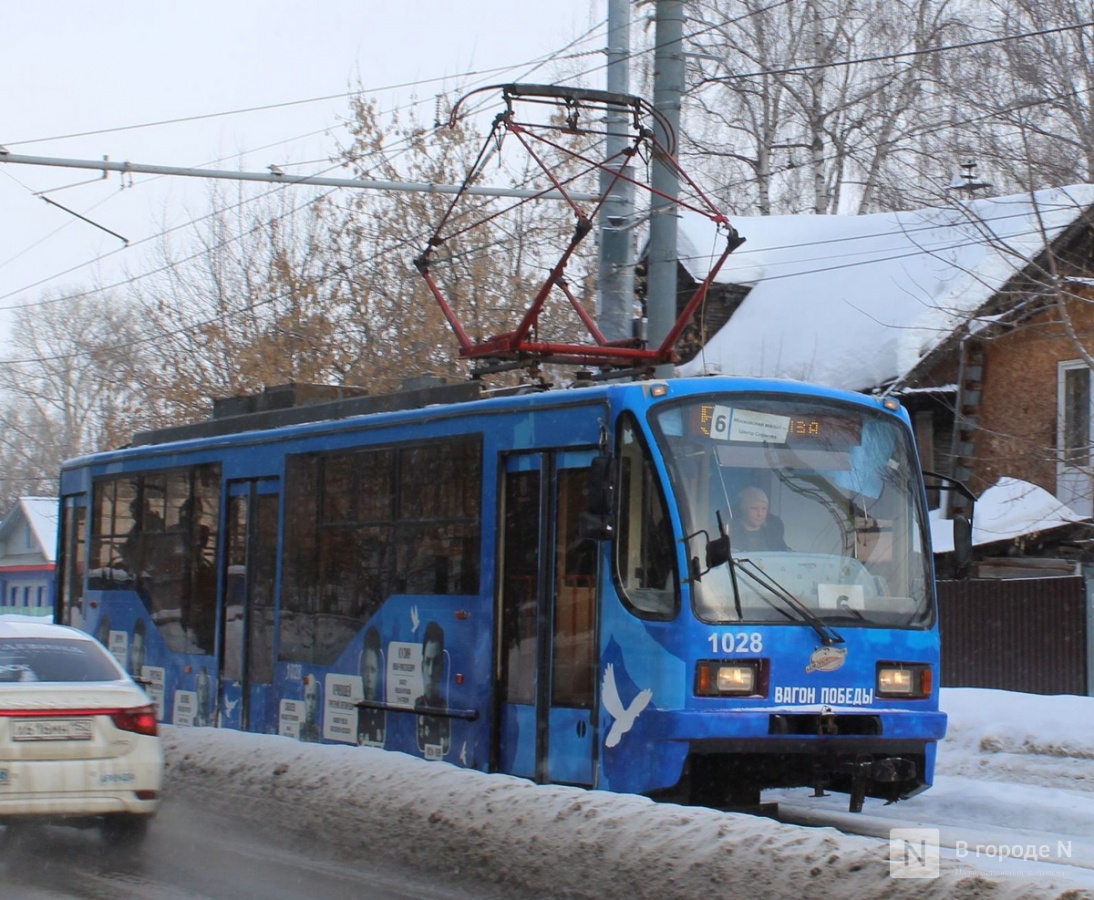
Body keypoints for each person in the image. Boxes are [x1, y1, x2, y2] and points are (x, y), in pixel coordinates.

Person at [415, 621, 450, 758]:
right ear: (421, 666)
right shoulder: (414, 709)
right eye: (427, 662)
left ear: (442, 667)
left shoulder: (449, 710)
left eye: (435, 663)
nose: (430, 672)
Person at [732, 486, 789, 552]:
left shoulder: (774, 535)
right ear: (744, 509)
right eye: (754, 508)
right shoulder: (729, 533)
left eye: (764, 508)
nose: (760, 514)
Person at [357, 627, 386, 747]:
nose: (368, 678)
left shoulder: (383, 713)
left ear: (379, 672)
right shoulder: (358, 711)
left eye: (372, 670)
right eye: (365, 670)